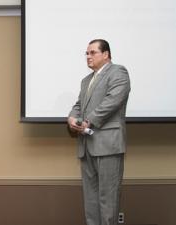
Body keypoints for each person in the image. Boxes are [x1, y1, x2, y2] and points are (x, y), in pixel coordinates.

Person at [68, 39, 131, 225]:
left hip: (108, 145)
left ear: (106, 54)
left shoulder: (118, 72)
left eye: (92, 52)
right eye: (86, 53)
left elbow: (112, 101)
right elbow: (79, 105)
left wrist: (89, 121)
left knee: (108, 201)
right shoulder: (86, 80)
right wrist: (72, 119)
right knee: (91, 201)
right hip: (87, 146)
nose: (88, 56)